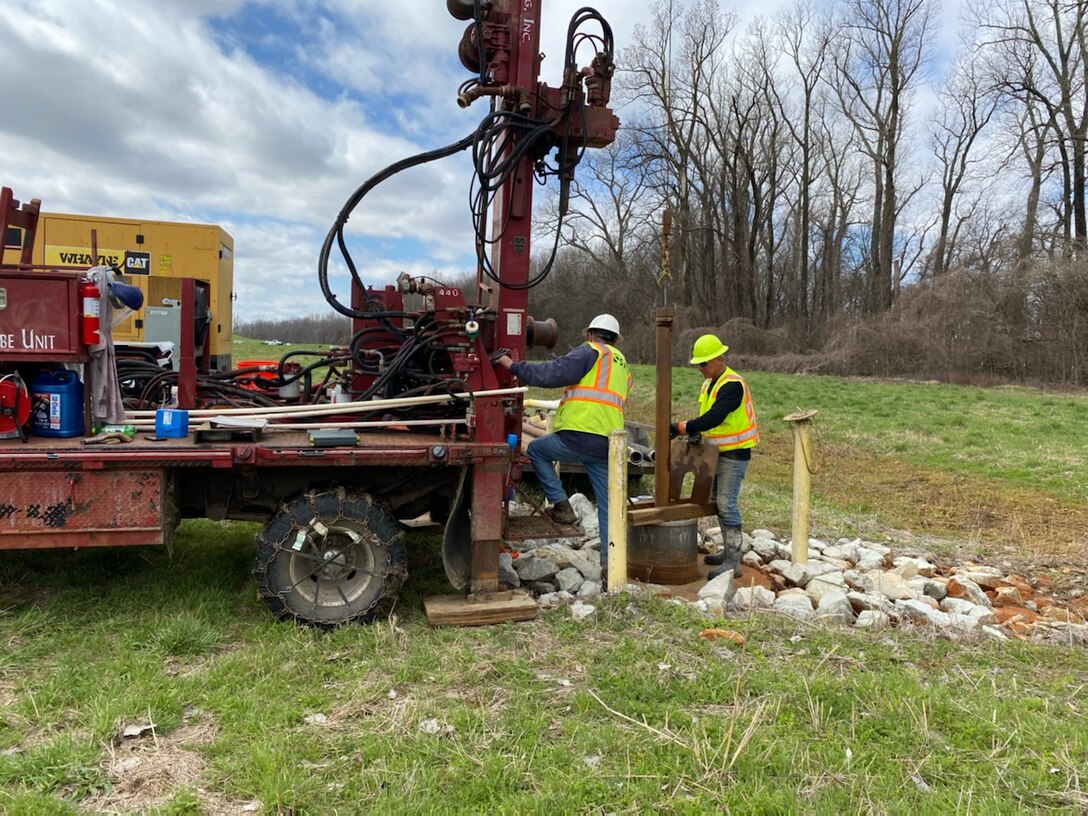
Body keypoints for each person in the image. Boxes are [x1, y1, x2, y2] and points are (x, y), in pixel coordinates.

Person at [495, 314, 632, 575]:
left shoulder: (589, 352)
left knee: (536, 449)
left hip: (579, 435)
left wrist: (511, 365)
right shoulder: (622, 364)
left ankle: (561, 505)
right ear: (615, 338)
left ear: (591, 334)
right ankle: (610, 568)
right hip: (608, 443)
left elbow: (551, 373)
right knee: (608, 506)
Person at [670, 333, 758, 581]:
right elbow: (708, 420)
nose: (700, 368)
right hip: (715, 452)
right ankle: (729, 554)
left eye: (704, 363)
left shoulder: (732, 384)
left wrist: (682, 427)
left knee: (727, 503)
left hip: (734, 453)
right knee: (718, 502)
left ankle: (733, 563)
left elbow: (715, 417)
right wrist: (696, 432)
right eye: (698, 363)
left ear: (719, 359)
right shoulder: (710, 383)